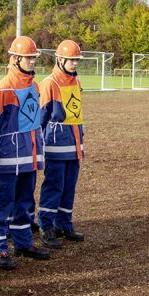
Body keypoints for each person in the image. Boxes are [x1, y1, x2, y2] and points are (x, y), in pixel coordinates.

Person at [0, 36, 50, 269]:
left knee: (25, 201)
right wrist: (3, 145)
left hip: (30, 156)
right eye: (28, 58)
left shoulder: (34, 85)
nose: (32, 62)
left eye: (33, 58)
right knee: (3, 203)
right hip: (8, 157)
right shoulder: (3, 88)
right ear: (15, 59)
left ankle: (23, 243)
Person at [37, 40, 87, 246]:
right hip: (55, 148)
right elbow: (40, 118)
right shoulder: (49, 83)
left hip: (74, 146)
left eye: (77, 60)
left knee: (68, 187)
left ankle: (64, 224)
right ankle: (46, 226)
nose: (75, 64)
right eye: (71, 60)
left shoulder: (75, 81)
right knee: (54, 186)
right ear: (60, 59)